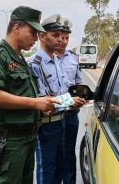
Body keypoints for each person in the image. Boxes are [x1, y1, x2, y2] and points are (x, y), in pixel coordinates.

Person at [0, 6, 60, 184]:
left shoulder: (20, 58)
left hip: (26, 139)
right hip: (9, 142)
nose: (35, 39)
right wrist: (34, 103)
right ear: (16, 28)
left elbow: (22, 94)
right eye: (32, 32)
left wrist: (41, 108)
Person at [29, 14, 85, 184]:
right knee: (47, 170)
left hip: (62, 121)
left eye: (62, 36)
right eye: (55, 35)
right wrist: (70, 101)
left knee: (61, 166)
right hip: (47, 125)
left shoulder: (57, 62)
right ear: (42, 36)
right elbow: (42, 101)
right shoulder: (35, 64)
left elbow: (68, 88)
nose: (60, 40)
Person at [55, 17, 85, 184]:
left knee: (69, 154)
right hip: (53, 115)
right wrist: (68, 101)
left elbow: (78, 82)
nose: (63, 41)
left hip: (71, 115)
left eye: (66, 38)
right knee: (54, 156)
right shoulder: (45, 59)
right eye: (60, 37)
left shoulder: (73, 58)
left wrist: (82, 95)